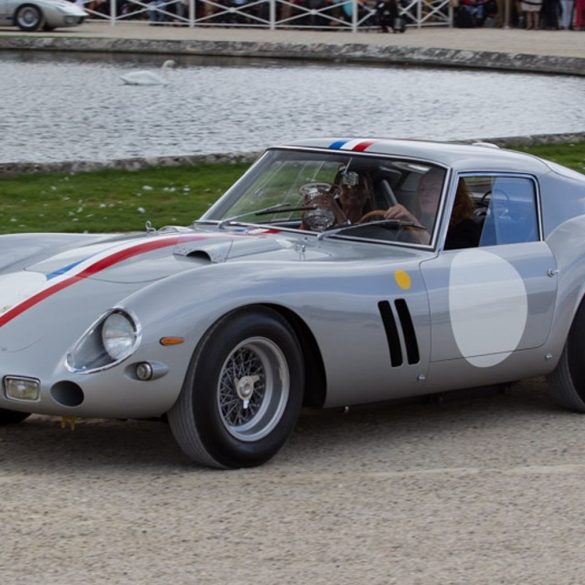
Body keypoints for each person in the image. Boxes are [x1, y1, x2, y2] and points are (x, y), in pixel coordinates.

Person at [384, 169, 481, 250]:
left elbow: (444, 258)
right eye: (422, 189)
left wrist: (413, 223)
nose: (425, 194)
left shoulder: (467, 228)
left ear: (454, 195)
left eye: (433, 189)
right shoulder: (423, 221)